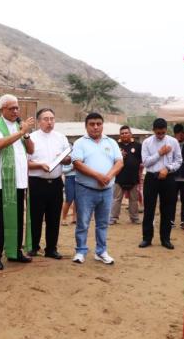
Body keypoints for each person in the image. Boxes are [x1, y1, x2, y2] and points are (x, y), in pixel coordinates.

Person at [0, 94, 35, 270]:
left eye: (17, 108)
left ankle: (15, 252)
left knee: (17, 218)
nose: (15, 111)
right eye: (11, 108)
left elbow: (31, 150)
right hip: (0, 184)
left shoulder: (19, 126)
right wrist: (21, 132)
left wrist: (26, 135)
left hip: (19, 182)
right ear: (2, 110)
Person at [71, 113, 123, 264]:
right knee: (83, 222)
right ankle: (80, 251)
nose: (95, 127)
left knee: (102, 223)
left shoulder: (111, 142)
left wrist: (107, 176)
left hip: (107, 190)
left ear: (102, 125)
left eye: (98, 124)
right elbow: (77, 163)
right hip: (85, 190)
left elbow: (119, 162)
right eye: (92, 124)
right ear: (86, 126)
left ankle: (101, 251)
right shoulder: (80, 143)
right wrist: (98, 176)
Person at [27, 108, 70, 259]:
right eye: (46, 119)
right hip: (36, 183)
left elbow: (68, 158)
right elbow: (25, 163)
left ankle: (51, 248)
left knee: (53, 217)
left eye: (52, 118)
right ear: (38, 121)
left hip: (56, 183)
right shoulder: (30, 138)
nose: (50, 122)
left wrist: (64, 159)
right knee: (36, 216)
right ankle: (33, 247)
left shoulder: (61, 137)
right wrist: (39, 165)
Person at [138, 118, 182, 250]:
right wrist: (159, 153)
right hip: (151, 177)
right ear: (153, 130)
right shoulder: (146, 142)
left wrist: (168, 169)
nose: (160, 135)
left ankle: (165, 239)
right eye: (158, 133)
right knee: (149, 209)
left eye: (163, 132)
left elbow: (179, 160)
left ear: (166, 130)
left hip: (168, 178)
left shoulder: (173, 142)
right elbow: (145, 162)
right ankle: (146, 238)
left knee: (167, 209)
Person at [110, 125, 142, 225]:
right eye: (122, 133)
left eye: (126, 133)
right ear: (120, 135)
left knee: (134, 200)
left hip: (133, 177)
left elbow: (142, 160)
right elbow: (110, 160)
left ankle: (135, 218)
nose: (124, 135)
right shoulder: (115, 146)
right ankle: (113, 218)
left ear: (130, 134)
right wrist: (120, 156)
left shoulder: (137, 145)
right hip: (119, 177)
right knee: (116, 199)